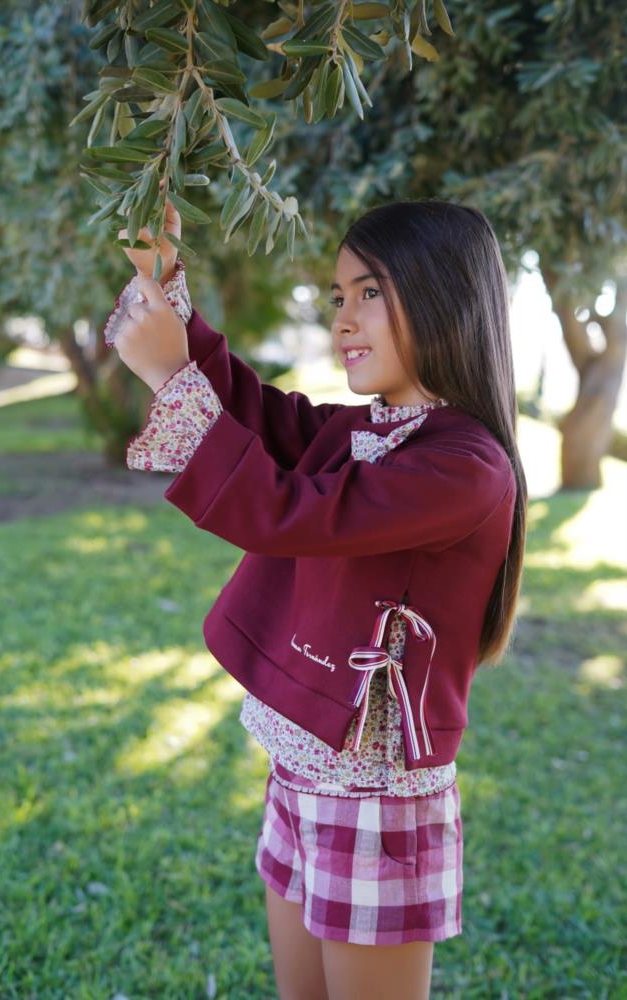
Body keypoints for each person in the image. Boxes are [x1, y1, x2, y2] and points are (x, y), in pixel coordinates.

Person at [103, 198, 527, 1000]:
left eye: (371, 291)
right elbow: (258, 417)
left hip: (375, 802)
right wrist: (166, 289)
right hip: (298, 772)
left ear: (446, 297)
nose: (344, 319)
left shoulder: (468, 467)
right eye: (339, 297)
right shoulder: (369, 429)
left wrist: (166, 375)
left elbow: (290, 511)